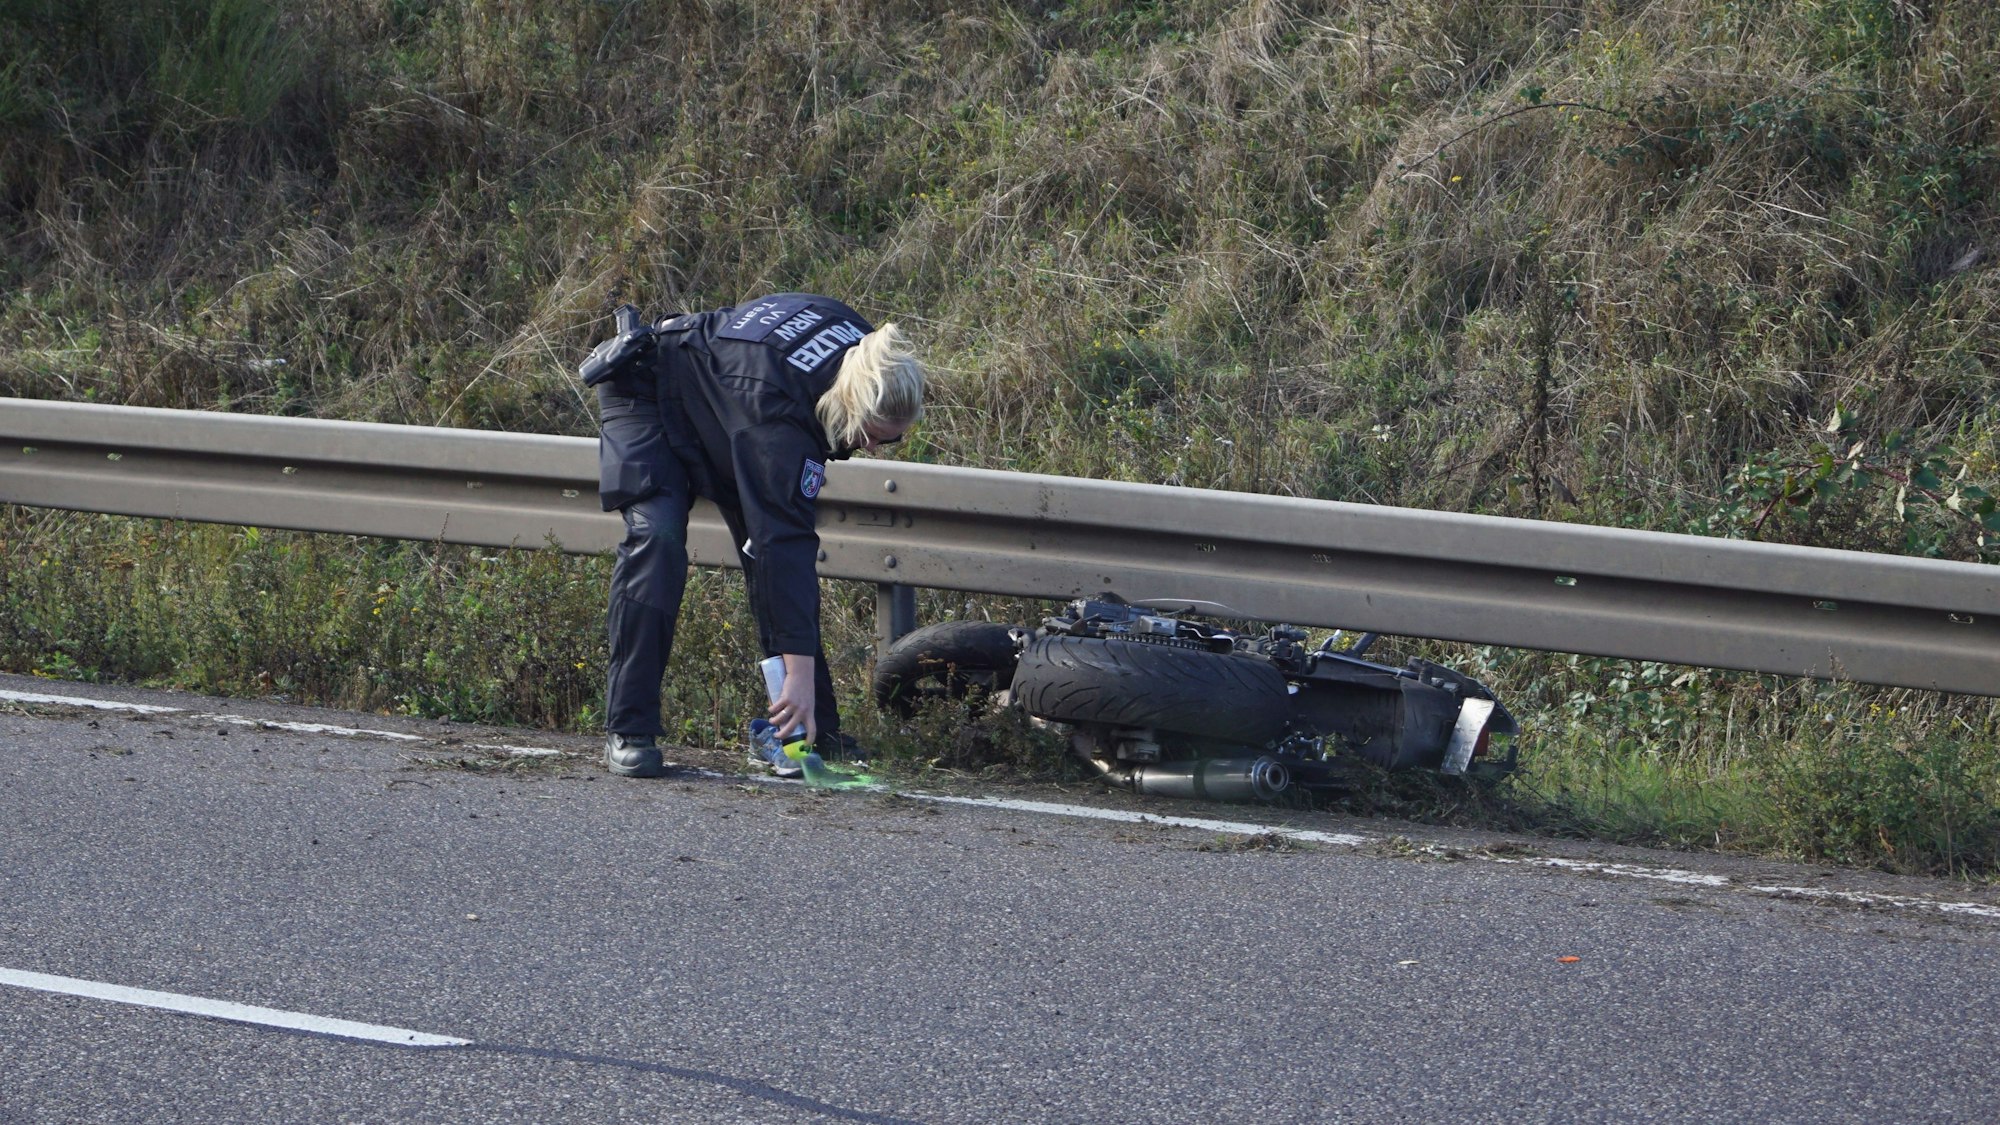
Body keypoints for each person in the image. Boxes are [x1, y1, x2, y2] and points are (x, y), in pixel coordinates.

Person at [579, 293, 925, 779]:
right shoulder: (778, 422)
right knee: (657, 540)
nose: (873, 447)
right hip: (648, 394)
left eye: (890, 438)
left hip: (726, 412)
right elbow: (783, 546)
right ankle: (629, 728)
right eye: (871, 433)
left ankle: (811, 732)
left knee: (768, 559)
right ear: (852, 398)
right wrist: (798, 677)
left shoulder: (868, 352)